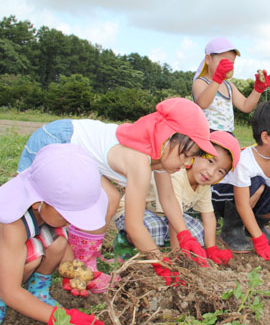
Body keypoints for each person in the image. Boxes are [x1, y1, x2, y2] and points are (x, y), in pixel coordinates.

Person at [16, 98, 218, 286]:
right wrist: (160, 263)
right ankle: (20, 260)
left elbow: (168, 198)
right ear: (165, 139)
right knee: (27, 210)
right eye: (186, 156)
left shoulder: (160, 157)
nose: (187, 164)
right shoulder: (139, 161)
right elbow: (134, 226)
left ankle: (83, 264)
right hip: (57, 141)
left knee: (110, 197)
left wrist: (184, 235)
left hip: (77, 153)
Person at [0, 144, 106, 324]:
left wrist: (73, 272)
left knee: (58, 242)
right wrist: (62, 319)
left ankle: (38, 290)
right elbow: (10, 292)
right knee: (30, 260)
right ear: (37, 203)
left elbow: (63, 250)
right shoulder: (12, 225)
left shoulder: (46, 212)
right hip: (6, 278)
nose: (70, 220)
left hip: (10, 255)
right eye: (67, 214)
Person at [114, 131, 241, 266]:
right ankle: (127, 246)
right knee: (154, 227)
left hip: (161, 215)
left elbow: (209, 217)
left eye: (220, 171)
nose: (211, 172)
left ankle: (162, 246)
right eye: (210, 161)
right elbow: (173, 218)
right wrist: (178, 256)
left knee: (198, 230)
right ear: (197, 153)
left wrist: (211, 249)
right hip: (133, 213)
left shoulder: (203, 184)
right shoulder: (177, 175)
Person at [211, 101, 270, 260]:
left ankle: (255, 228)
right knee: (258, 184)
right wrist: (260, 242)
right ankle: (231, 229)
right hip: (223, 198)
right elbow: (242, 204)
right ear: (266, 137)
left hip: (250, 196)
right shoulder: (245, 161)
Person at [192, 37, 270, 133]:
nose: (228, 66)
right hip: (206, 133)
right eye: (224, 62)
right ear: (208, 59)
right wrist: (217, 79)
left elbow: (245, 106)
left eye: (231, 63)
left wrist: (258, 89)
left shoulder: (229, 86)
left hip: (227, 135)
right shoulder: (200, 82)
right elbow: (203, 103)